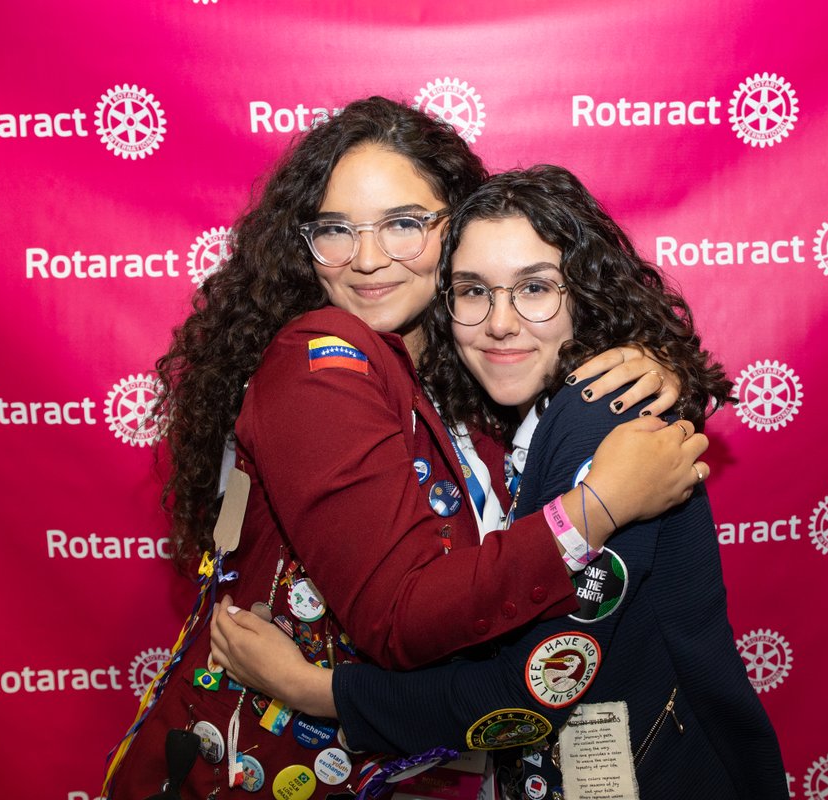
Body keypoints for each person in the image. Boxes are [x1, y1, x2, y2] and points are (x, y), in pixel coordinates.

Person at [105, 99, 711, 799]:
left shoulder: (467, 381)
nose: (366, 260)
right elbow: (403, 616)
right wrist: (598, 507)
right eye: (336, 230)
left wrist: (653, 367)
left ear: (458, 226)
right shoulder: (323, 360)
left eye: (402, 225)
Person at [211, 165, 788, 799]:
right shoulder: (500, 418)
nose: (501, 322)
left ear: (587, 293)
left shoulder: (599, 418)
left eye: (535, 288)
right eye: (473, 291)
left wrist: (316, 691)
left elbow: (532, 691)